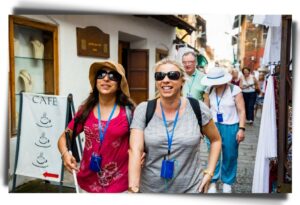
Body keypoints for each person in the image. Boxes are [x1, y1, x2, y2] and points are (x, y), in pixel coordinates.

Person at [128, 58, 221, 193]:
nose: (165, 80)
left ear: (182, 81)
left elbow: (216, 140)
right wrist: (133, 187)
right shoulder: (144, 109)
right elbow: (135, 150)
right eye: (160, 76)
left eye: (173, 75)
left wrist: (210, 172)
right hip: (150, 190)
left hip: (191, 188)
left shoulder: (197, 108)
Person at [57, 61, 136, 193]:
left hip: (119, 186)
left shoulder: (130, 112)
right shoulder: (85, 110)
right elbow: (64, 138)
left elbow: (140, 146)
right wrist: (65, 154)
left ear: (119, 84)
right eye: (101, 74)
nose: (106, 78)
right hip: (86, 183)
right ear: (96, 81)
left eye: (113, 76)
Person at [202, 67, 246, 193]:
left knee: (230, 154)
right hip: (213, 125)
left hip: (231, 125)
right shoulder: (208, 89)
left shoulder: (234, 90)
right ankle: (213, 181)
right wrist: (203, 127)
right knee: (213, 153)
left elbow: (242, 111)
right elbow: (206, 108)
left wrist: (241, 129)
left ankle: (227, 181)